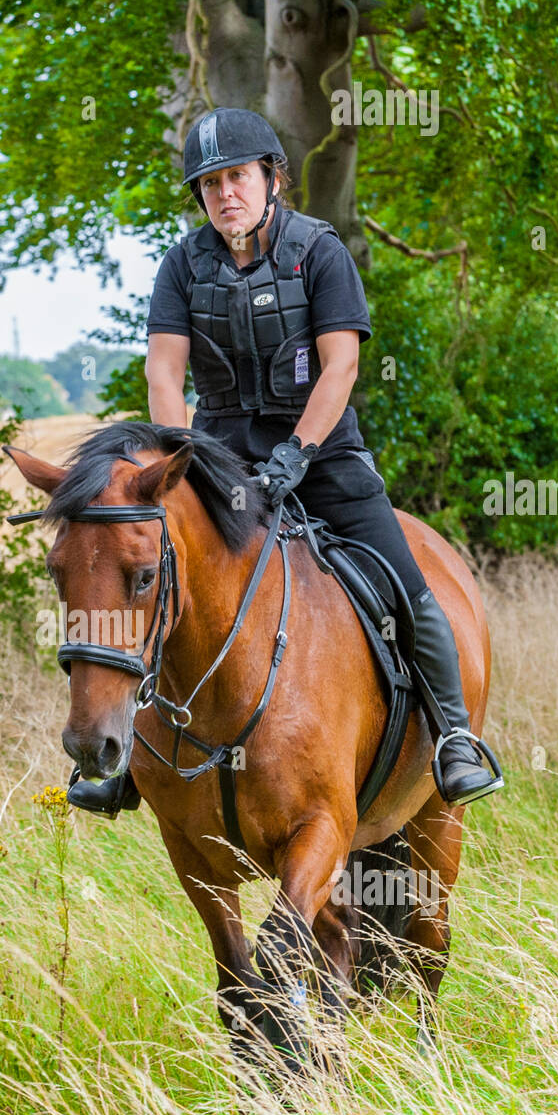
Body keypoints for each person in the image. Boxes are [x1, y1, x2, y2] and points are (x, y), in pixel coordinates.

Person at [68, 107, 502, 817]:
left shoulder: (318, 252)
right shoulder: (180, 265)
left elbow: (340, 367)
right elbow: (162, 375)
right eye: (209, 185)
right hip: (216, 454)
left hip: (323, 453)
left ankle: (452, 736)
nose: (224, 194)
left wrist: (297, 454)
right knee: (152, 579)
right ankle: (129, 762)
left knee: (403, 582)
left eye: (236, 177)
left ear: (271, 177)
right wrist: (180, 468)